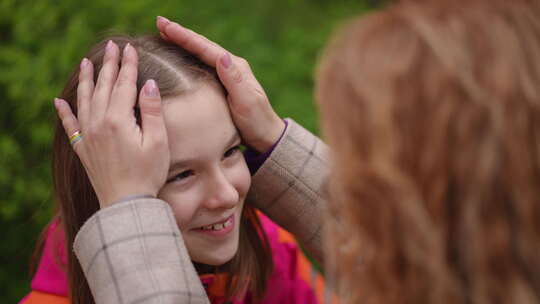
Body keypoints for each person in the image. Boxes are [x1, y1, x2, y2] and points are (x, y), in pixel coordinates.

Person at [20, 35, 328, 304]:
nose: (226, 194)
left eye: (231, 151)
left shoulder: (270, 248)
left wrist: (273, 136)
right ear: (103, 185)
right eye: (181, 175)